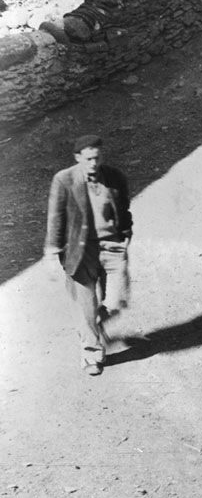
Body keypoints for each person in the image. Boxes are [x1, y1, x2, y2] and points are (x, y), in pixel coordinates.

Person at [45, 134, 133, 376]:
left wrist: (126, 232)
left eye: (97, 158)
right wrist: (52, 251)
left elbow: (124, 207)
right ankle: (91, 354)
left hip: (112, 246)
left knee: (117, 300)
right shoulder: (64, 180)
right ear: (77, 158)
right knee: (84, 306)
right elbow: (56, 217)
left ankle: (93, 322)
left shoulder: (115, 176)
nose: (93, 163)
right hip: (80, 251)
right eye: (88, 159)